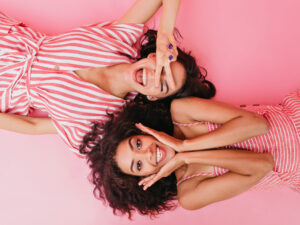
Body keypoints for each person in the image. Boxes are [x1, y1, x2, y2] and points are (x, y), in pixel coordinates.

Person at [0, 0, 215, 156]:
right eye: (162, 66)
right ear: (153, 56)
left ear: (154, 98)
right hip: (8, 38)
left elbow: (33, 126)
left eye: (163, 84)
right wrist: (165, 35)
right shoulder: (118, 40)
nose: (154, 74)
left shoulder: (103, 120)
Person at [82, 90, 299, 218]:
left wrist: (185, 145)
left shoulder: (182, 111)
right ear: (144, 179)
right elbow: (263, 164)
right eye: (138, 166)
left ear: (141, 131)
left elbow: (258, 125)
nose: (147, 153)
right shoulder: (190, 193)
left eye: (137, 143)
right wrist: (186, 156)